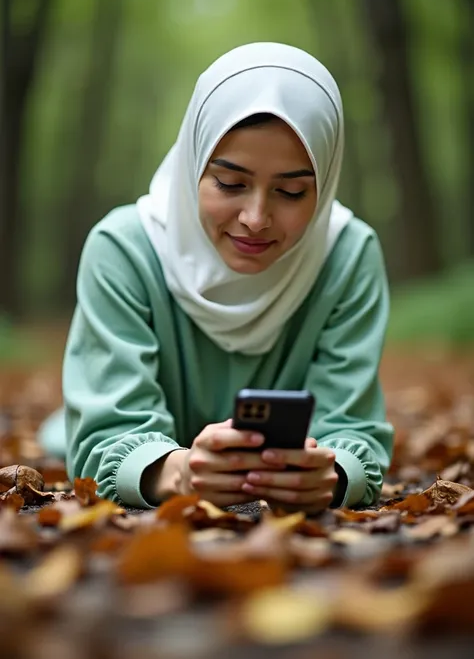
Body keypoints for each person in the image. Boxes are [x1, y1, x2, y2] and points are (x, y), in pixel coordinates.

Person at [39, 42, 393, 512]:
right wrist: (177, 472)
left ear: (324, 186)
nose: (255, 217)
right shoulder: (124, 249)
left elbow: (351, 427)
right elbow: (108, 431)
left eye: (291, 191)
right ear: (193, 166)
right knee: (61, 432)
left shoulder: (347, 255)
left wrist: (332, 475)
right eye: (230, 183)